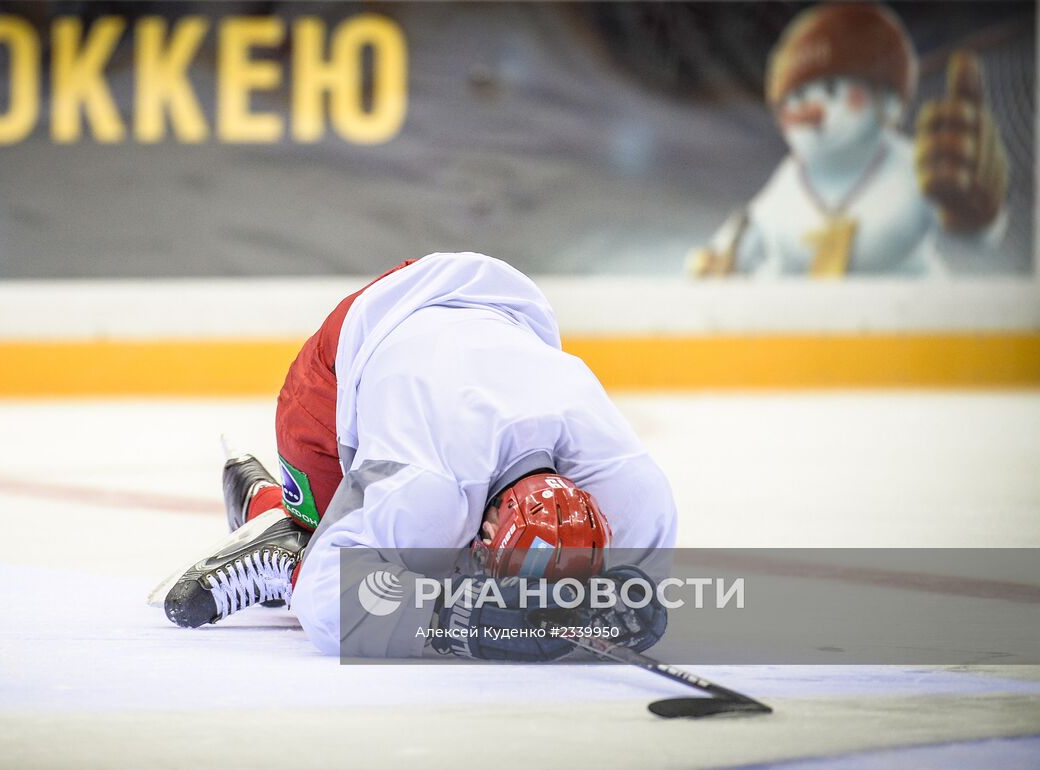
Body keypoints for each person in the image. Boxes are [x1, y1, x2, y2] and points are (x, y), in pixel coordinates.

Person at [158, 252, 678, 660]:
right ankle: (281, 535)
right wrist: (456, 621)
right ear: (488, 527)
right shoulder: (430, 493)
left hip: (481, 308)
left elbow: (624, 589)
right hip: (343, 363)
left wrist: (628, 597)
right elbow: (327, 601)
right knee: (388, 553)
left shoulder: (634, 496)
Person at [686, 2, 1008, 278]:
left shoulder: (917, 166)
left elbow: (974, 239)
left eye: (831, 91)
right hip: (810, 337)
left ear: (888, 100)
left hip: (905, 333)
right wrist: (716, 260)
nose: (807, 111)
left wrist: (975, 213)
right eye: (794, 98)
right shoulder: (791, 179)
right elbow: (749, 231)